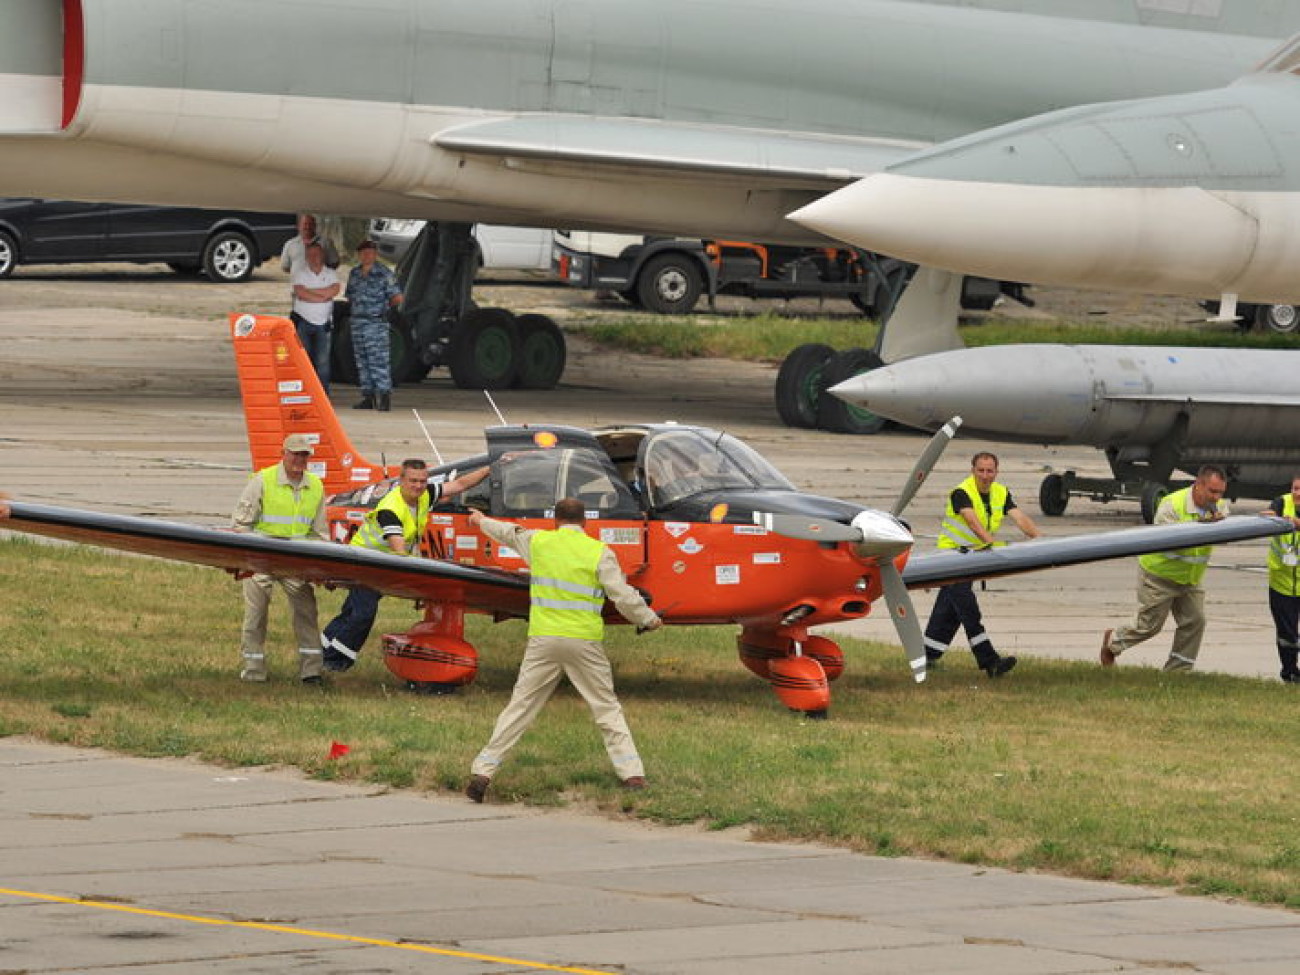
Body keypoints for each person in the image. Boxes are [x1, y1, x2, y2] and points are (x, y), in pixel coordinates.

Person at [465, 498, 662, 803]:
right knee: (605, 708)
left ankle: (484, 770)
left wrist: (479, 521)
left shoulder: (539, 542)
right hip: (584, 641)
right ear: (585, 523)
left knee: (520, 707)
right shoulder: (599, 552)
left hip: (543, 638)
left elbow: (508, 532)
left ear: (555, 521)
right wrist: (648, 619)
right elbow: (622, 595)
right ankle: (631, 773)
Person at [320, 458, 491, 671]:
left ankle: (322, 649)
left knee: (353, 612)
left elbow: (459, 485)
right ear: (401, 480)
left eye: (422, 481)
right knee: (363, 614)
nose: (418, 486)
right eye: (412, 481)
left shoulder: (425, 494)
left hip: (379, 562)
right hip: (364, 562)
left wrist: (489, 468)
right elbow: (399, 552)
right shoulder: (390, 509)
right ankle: (334, 661)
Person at [1101, 465, 1230, 671]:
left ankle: (1178, 671)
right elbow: (1170, 541)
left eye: (1221, 492)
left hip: (1190, 579)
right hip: (1159, 576)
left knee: (1195, 621)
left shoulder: (1220, 508)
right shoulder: (1171, 505)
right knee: (1149, 626)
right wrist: (1203, 526)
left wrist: (1220, 527)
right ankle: (1112, 643)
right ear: (1198, 485)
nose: (1217, 498)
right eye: (1212, 491)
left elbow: (1226, 535)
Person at [924, 451, 1041, 677]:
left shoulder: (1001, 493)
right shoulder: (961, 492)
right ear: (972, 471)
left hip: (974, 559)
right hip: (952, 560)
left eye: (990, 471)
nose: (985, 476)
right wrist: (993, 545)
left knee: (948, 610)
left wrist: (1041, 540)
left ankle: (927, 654)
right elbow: (973, 522)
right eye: (981, 470)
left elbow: (1020, 518)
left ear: (997, 472)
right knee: (968, 610)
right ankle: (990, 661)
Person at [231, 434, 328, 684]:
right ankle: (254, 669)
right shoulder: (262, 480)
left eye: (304, 455)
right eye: (295, 454)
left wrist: (317, 567)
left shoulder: (316, 486)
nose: (299, 459)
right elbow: (241, 524)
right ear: (283, 453)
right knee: (256, 614)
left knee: (307, 612)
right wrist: (249, 558)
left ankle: (312, 671)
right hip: (261, 559)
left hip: (295, 562)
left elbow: (318, 534)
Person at [345, 239, 403, 412]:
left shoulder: (384, 273)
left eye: (369, 252)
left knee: (379, 361)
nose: (366, 255)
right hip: (357, 322)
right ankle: (368, 397)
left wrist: (380, 309)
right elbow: (350, 295)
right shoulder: (354, 273)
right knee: (362, 361)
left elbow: (397, 298)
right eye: (363, 253)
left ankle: (384, 397)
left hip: (375, 322)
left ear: (375, 254)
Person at [1261, 475, 1300, 683]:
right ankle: (1290, 671)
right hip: (1282, 582)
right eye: (1295, 488)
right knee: (1286, 634)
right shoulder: (1282, 502)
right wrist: (1272, 517)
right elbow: (1269, 514)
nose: (1298, 494)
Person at [290, 242, 340, 392]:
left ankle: (322, 392)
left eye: (317, 254)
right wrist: (323, 295)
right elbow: (300, 293)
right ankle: (303, 391)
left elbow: (334, 290)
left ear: (322, 255)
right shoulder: (300, 273)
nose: (314, 257)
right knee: (303, 359)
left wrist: (312, 293)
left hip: (323, 323)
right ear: (306, 257)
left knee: (322, 361)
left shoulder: (330, 273)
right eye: (310, 255)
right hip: (303, 322)